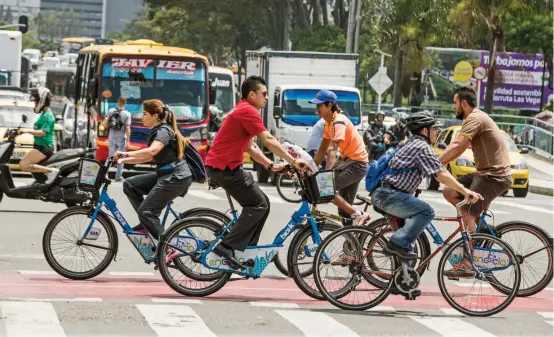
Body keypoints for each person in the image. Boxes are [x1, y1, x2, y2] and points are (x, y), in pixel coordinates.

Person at [205, 75, 309, 270]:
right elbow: (268, 140)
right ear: (252, 94)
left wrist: (272, 165)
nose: (267, 98)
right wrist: (293, 161)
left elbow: (252, 148)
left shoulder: (243, 109)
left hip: (224, 166)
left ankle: (246, 250)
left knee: (262, 204)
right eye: (264, 94)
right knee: (258, 205)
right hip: (225, 168)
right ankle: (227, 246)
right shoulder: (248, 111)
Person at [371, 111, 481, 264]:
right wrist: (465, 191)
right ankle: (396, 242)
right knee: (426, 212)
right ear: (424, 131)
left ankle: (403, 283)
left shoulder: (411, 143)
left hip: (388, 195)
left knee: (407, 246)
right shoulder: (421, 147)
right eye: (434, 129)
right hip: (389, 196)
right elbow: (440, 174)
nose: (436, 132)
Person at [439, 86, 511, 278]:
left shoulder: (475, 118)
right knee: (449, 190)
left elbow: (458, 145)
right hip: (483, 173)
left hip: (494, 176)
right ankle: (482, 230)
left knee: (466, 212)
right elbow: (456, 146)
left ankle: (467, 263)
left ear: (464, 103)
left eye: (455, 103)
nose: (453, 107)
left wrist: (434, 164)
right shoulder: (474, 118)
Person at [116, 99, 193, 241]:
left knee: (146, 211)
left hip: (175, 176)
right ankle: (146, 223)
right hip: (165, 174)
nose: (141, 117)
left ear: (155, 116)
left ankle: (167, 248)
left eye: (144, 114)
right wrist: (124, 160)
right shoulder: (158, 130)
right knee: (130, 185)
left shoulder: (164, 130)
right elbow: (146, 158)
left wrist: (126, 154)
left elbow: (152, 151)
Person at [311, 89, 371, 227]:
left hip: (357, 164)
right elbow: (322, 149)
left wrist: (325, 174)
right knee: (344, 213)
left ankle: (357, 213)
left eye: (319, 106)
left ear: (329, 105)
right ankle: (354, 243)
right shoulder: (328, 123)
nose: (317, 109)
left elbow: (332, 149)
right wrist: (312, 167)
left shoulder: (339, 121)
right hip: (348, 162)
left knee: (326, 187)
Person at [19, 87, 59, 184]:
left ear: (42, 100)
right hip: (39, 146)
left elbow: (43, 132)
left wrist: (27, 131)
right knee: (27, 165)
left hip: (44, 147)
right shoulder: (44, 114)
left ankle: (51, 171)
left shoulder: (48, 115)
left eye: (36, 101)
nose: (35, 104)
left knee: (23, 165)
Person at [101, 95, 131, 182]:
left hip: (111, 137)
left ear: (117, 101)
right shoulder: (127, 114)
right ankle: (118, 177)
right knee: (120, 157)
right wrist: (128, 140)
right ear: (125, 103)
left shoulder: (110, 111)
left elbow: (105, 123)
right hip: (121, 138)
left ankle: (104, 174)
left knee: (110, 156)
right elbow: (128, 128)